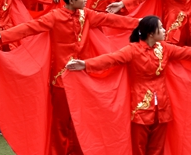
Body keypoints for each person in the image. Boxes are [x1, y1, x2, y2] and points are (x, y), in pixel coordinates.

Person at [0, 0, 139, 155]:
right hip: (60, 81)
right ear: (72, 0)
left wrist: (139, 23)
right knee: (60, 124)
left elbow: (111, 20)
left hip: (83, 78)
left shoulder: (86, 15)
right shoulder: (54, 17)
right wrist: (1, 36)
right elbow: (29, 28)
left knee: (81, 121)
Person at [67, 15, 191, 155]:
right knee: (139, 149)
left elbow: (186, 52)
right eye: (160, 28)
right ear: (151, 33)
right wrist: (85, 64)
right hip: (140, 109)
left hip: (162, 109)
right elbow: (110, 59)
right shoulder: (132, 50)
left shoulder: (165, 48)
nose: (164, 30)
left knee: (158, 149)